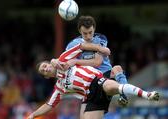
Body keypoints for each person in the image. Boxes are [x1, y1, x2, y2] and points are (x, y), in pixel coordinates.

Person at [27, 43, 159, 119]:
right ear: (46, 77)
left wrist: (100, 49)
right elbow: (49, 105)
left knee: (114, 78)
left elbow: (80, 46)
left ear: (49, 63)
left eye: (45, 66)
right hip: (91, 96)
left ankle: (147, 94)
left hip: (96, 80)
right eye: (43, 71)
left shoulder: (63, 60)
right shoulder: (60, 87)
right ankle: (122, 93)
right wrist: (33, 115)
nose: (46, 69)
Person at [51, 15, 128, 118]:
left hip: (105, 74)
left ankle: (124, 95)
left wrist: (75, 61)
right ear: (79, 31)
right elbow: (63, 60)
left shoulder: (100, 38)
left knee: (117, 68)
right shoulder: (73, 44)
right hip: (89, 81)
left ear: (94, 29)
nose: (88, 36)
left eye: (90, 32)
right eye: (85, 33)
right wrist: (54, 61)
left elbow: (97, 62)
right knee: (83, 117)